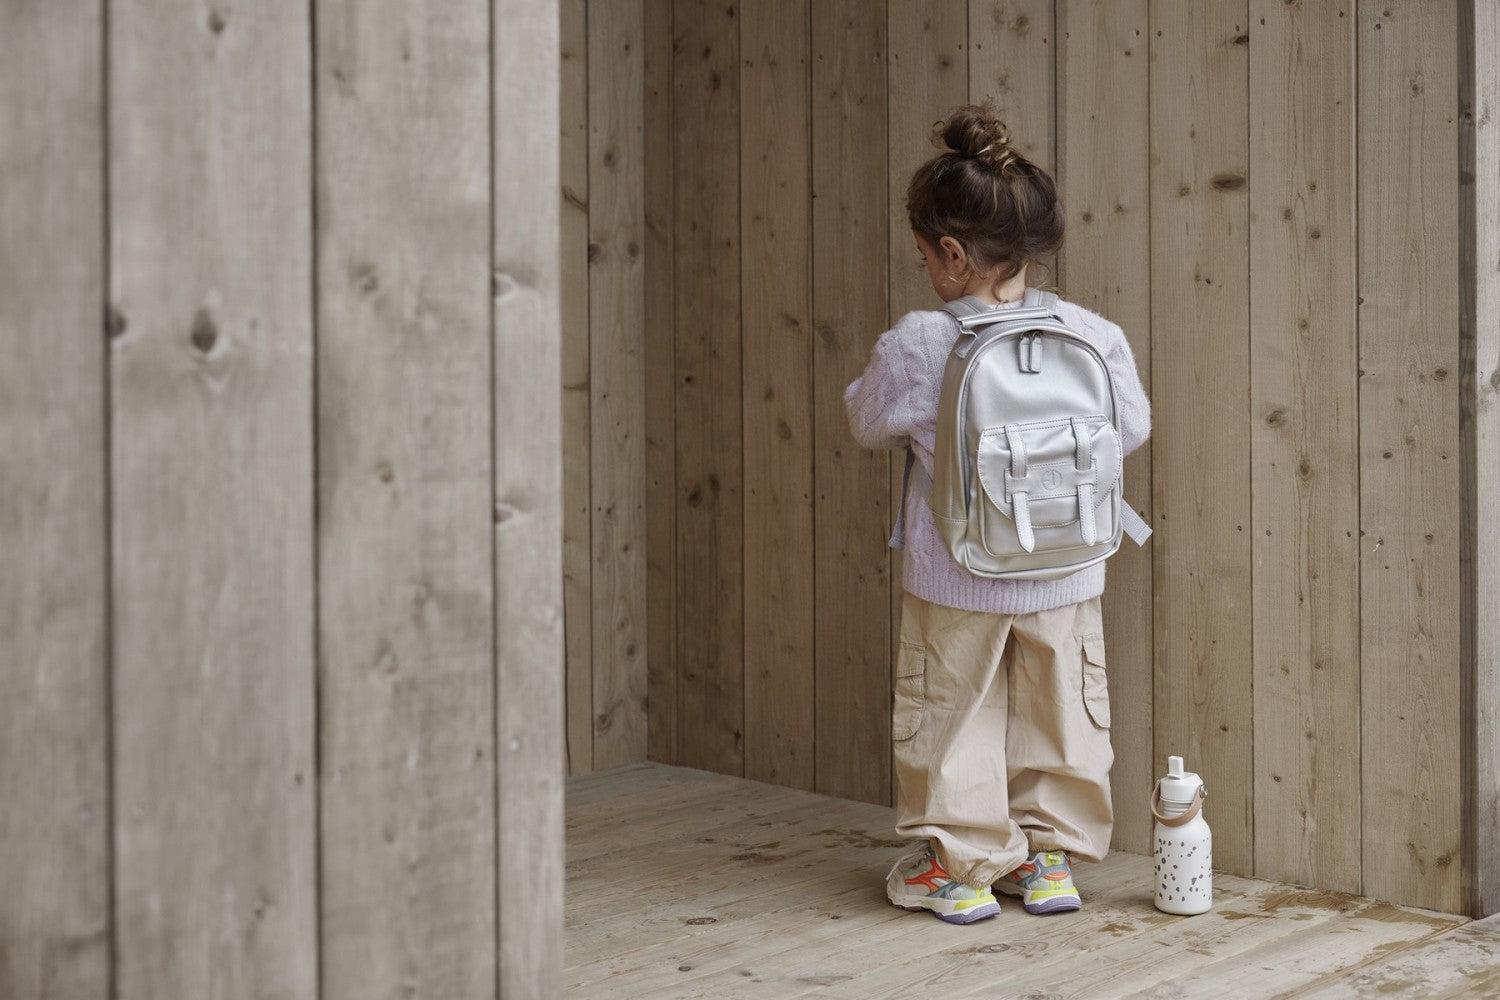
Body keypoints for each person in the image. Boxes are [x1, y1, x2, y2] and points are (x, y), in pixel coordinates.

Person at [844, 105, 1151, 924]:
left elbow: (868, 419)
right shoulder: (1092, 333)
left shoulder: (919, 341)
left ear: (949, 253)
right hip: (1067, 566)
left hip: (959, 572)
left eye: (924, 257)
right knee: (1061, 709)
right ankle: (1048, 862)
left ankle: (964, 867)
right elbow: (1135, 427)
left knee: (953, 715)